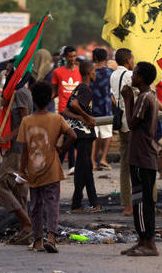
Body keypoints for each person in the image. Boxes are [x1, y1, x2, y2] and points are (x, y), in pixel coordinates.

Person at [19, 81, 77, 253]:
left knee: (36, 205)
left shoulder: (26, 121)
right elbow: (73, 135)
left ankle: (37, 240)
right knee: (52, 203)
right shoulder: (57, 118)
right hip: (52, 169)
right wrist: (60, 149)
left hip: (34, 170)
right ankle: (51, 237)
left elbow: (23, 149)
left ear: (33, 100)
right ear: (51, 97)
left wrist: (22, 170)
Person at [120, 62, 160, 257]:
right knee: (139, 200)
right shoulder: (148, 96)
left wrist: (127, 100)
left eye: (135, 74)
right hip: (142, 155)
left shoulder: (144, 98)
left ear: (142, 78)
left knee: (142, 201)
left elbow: (131, 123)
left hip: (143, 156)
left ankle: (149, 242)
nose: (132, 77)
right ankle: (142, 241)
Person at [0, 73, 32, 244]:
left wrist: (8, 138)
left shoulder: (21, 93)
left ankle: (26, 222)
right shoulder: (15, 94)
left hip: (17, 148)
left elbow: (25, 121)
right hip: (20, 148)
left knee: (2, 186)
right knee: (19, 189)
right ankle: (24, 230)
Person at [61, 61, 100, 213]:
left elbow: (66, 111)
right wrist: (85, 117)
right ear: (89, 73)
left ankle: (92, 201)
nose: (95, 74)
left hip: (77, 132)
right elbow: (76, 105)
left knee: (85, 168)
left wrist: (81, 117)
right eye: (94, 71)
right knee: (83, 168)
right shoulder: (86, 89)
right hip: (83, 134)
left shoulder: (78, 87)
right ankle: (77, 204)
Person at [110, 48, 134, 216]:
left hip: (121, 122)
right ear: (127, 60)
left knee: (124, 165)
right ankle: (143, 202)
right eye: (132, 58)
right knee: (140, 165)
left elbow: (113, 97)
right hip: (132, 122)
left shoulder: (113, 75)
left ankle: (127, 204)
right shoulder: (129, 76)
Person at [52, 46, 80, 173]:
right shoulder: (58, 72)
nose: (72, 59)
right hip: (63, 110)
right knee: (67, 136)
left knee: (72, 137)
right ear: (65, 57)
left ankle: (62, 163)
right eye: (70, 56)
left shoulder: (80, 71)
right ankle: (69, 165)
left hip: (77, 110)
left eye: (74, 56)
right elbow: (54, 91)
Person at [91, 48, 114, 171]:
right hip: (106, 106)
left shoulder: (90, 72)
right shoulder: (110, 72)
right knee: (107, 134)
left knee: (94, 135)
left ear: (94, 58)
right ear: (106, 58)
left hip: (92, 107)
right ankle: (103, 158)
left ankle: (92, 161)